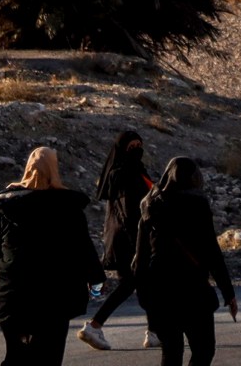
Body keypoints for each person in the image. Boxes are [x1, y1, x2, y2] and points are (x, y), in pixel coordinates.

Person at [0, 147, 104, 366]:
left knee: (16, 356)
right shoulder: (68, 206)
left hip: (11, 297)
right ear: (54, 169)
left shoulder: (6, 204)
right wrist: (95, 278)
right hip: (55, 298)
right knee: (49, 356)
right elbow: (82, 248)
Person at [132, 158, 236, 366]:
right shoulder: (197, 204)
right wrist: (228, 292)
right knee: (204, 350)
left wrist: (145, 298)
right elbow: (211, 251)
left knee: (171, 353)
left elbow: (140, 256)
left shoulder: (149, 205)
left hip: (160, 292)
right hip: (193, 291)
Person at [80, 132, 151, 350]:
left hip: (123, 238)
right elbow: (131, 212)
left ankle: (155, 331)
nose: (137, 149)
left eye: (139, 144)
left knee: (143, 285)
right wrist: (140, 244)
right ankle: (94, 326)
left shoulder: (134, 172)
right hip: (129, 240)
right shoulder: (124, 174)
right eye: (132, 146)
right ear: (122, 150)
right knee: (131, 284)